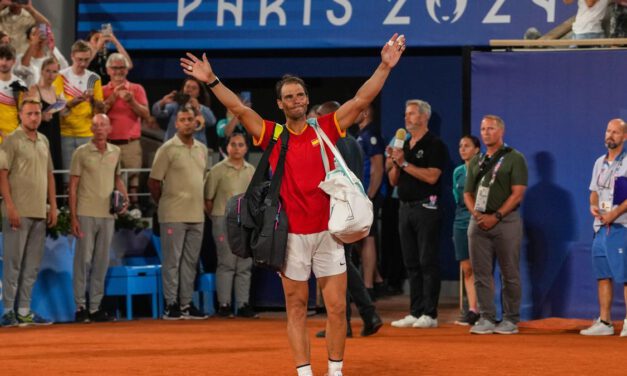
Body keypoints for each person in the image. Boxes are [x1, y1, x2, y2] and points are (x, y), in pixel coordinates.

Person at [180, 32, 405, 376]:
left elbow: (360, 100)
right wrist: (211, 80)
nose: (297, 99)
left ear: (306, 98)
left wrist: (385, 66)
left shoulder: (326, 128)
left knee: (335, 310)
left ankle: (335, 371)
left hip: (328, 235)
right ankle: (303, 372)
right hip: (291, 238)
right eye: (289, 97)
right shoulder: (272, 133)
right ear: (281, 104)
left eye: (300, 94)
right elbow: (239, 108)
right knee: (297, 308)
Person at [313, 100, 383, 339]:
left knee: (339, 265)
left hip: (335, 212)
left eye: (320, 116)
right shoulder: (352, 141)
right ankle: (355, 320)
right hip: (351, 211)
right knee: (344, 264)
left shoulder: (330, 142)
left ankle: (365, 314)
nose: (316, 121)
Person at [464, 115, 528, 335]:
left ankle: (510, 319)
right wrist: (477, 214)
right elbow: (467, 193)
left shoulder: (514, 158)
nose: (485, 132)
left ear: (501, 131)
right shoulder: (476, 160)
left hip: (506, 222)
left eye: (490, 128)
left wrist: (497, 216)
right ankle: (486, 317)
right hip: (479, 223)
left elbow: (518, 193)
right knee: (480, 272)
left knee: (509, 273)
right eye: (482, 128)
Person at [388, 99, 447, 330]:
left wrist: (403, 165)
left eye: (412, 113)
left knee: (427, 261)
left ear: (424, 117)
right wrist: (395, 163)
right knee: (411, 262)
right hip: (404, 207)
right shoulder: (404, 146)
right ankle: (415, 311)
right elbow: (393, 180)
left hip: (427, 208)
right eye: (406, 114)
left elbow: (433, 177)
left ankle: (430, 313)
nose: (407, 117)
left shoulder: (435, 145)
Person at [148, 106, 210, 321]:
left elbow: (203, 179)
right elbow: (154, 182)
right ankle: (171, 303)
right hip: (173, 214)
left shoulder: (202, 149)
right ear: (176, 124)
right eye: (182, 119)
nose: (187, 123)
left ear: (196, 122)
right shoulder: (167, 148)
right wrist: (165, 203)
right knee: (172, 261)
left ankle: (186, 303)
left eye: (190, 119)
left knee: (190, 262)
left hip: (197, 214)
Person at [0, 97, 57, 327]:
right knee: (13, 263)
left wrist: (53, 206)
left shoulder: (44, 140)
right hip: (18, 212)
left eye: (37, 113)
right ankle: (7, 311)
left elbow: (49, 175)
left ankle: (24, 310)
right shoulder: (11, 140)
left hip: (39, 212)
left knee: (32, 264)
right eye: (29, 114)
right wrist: (10, 206)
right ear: (20, 116)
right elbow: (2, 175)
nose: (34, 117)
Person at [69, 114, 128, 323]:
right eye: (96, 125)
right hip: (86, 212)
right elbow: (73, 186)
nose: (100, 128)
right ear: (91, 129)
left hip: (108, 214)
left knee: (102, 262)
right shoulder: (81, 153)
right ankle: (80, 307)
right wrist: (73, 217)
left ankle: (95, 307)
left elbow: (117, 179)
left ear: (110, 128)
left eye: (103, 124)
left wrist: (125, 197)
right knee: (82, 261)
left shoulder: (116, 151)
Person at [580, 118, 627, 336]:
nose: (610, 135)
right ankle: (605, 323)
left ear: (624, 137)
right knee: (603, 275)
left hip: (621, 226)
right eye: (608, 131)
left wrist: (613, 214)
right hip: (600, 228)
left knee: (626, 276)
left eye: (616, 132)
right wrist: (593, 206)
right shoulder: (599, 162)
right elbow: (594, 191)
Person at [204, 132, 257, 318]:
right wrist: (218, 217)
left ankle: (243, 304)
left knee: (244, 264)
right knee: (226, 262)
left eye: (241, 145)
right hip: (222, 219)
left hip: (245, 221)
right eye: (233, 144)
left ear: (246, 148)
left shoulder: (251, 170)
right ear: (227, 147)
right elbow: (208, 199)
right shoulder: (217, 170)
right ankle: (224, 305)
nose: (236, 148)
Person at [102, 53, 149, 209]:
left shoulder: (137, 89)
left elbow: (146, 115)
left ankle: (133, 217)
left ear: (127, 70)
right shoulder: (102, 90)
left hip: (131, 144)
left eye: (122, 68)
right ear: (108, 70)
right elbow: (98, 113)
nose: (118, 72)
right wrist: (113, 97)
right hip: (108, 145)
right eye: (114, 68)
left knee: (133, 185)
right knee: (108, 183)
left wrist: (132, 101)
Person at [54, 39, 104, 173]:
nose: (83, 64)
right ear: (72, 56)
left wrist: (96, 102)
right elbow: (57, 107)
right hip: (65, 133)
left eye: (86, 60)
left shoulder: (94, 78)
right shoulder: (61, 76)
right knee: (67, 176)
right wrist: (73, 102)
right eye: (79, 59)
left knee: (88, 176)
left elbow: (99, 112)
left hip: (87, 133)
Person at [355, 105, 385, 300]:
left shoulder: (371, 134)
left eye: (357, 110)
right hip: (360, 194)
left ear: (365, 113)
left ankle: (368, 287)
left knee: (368, 237)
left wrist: (370, 195)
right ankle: (377, 279)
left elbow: (378, 167)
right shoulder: (361, 134)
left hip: (368, 195)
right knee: (358, 237)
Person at [452, 135, 481, 326]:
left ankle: (485, 310)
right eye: (460, 146)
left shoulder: (483, 170)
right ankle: (472, 310)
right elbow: (457, 197)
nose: (463, 149)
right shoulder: (457, 172)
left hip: (479, 221)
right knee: (467, 268)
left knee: (481, 268)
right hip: (460, 221)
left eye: (467, 146)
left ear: (477, 150)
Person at [27, 56, 64, 198]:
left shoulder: (56, 90)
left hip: (54, 135)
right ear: (42, 71)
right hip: (41, 135)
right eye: (48, 71)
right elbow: (27, 114)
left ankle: (56, 206)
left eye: (54, 72)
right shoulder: (34, 89)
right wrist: (41, 116)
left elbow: (62, 113)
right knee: (41, 170)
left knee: (54, 167)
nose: (51, 75)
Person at [152, 77, 217, 148]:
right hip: (174, 147)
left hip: (195, 148)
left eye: (194, 88)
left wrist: (197, 108)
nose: (190, 90)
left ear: (198, 93)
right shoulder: (175, 105)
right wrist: (163, 102)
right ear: (183, 89)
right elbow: (156, 113)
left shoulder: (203, 109)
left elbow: (212, 121)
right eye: (187, 86)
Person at [0, 44, 26, 142]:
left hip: (14, 138)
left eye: (8, 59)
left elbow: (23, 112)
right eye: (1, 58)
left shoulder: (20, 84)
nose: (3, 62)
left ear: (14, 61)